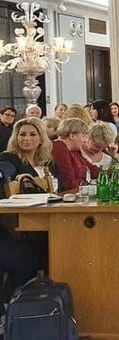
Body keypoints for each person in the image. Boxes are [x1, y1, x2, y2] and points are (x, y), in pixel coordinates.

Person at [0, 117, 50, 320]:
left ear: (41, 139)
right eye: (22, 134)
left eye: (32, 134)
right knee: (33, 257)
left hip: (39, 227)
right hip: (11, 229)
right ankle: (12, 310)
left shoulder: (46, 164)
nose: (26, 138)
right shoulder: (9, 159)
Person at [51, 118, 99, 192]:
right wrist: (87, 185)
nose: (85, 141)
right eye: (83, 136)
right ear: (72, 136)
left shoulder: (74, 150)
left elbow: (94, 171)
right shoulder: (58, 148)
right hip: (65, 195)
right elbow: (69, 183)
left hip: (76, 192)